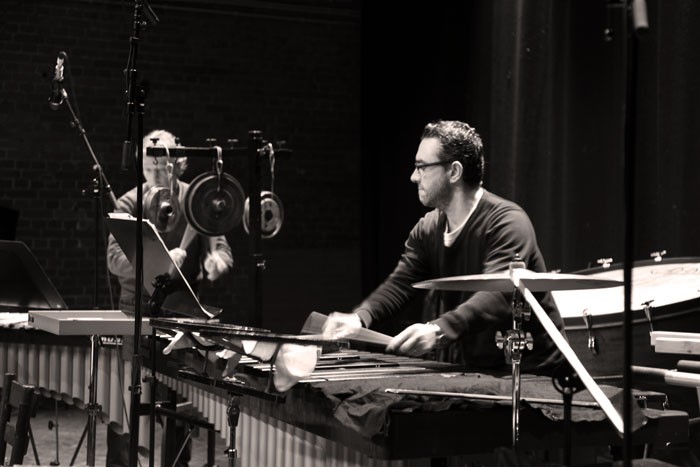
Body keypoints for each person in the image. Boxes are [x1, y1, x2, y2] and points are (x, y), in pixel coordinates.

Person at [323, 120, 565, 375]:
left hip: (538, 375)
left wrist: (439, 330)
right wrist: (360, 317)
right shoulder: (428, 229)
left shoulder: (507, 222)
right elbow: (402, 283)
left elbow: (499, 293)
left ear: (454, 172)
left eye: (422, 167)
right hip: (482, 372)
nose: (414, 177)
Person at [106, 129, 234, 467]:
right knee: (125, 409)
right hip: (136, 313)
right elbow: (115, 261)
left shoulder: (196, 198)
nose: (155, 174)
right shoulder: (129, 203)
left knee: (179, 410)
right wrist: (159, 263)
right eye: (148, 168)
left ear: (178, 164)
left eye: (162, 167)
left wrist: (217, 261)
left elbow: (222, 249)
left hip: (181, 315)